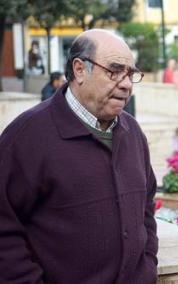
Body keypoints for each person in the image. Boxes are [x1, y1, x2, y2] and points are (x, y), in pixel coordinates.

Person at [0, 29, 158, 283]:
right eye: (114, 70)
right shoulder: (26, 136)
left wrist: (147, 266)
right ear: (80, 69)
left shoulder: (133, 133)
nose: (127, 83)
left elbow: (146, 210)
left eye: (130, 73)